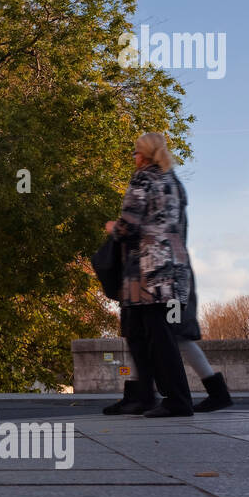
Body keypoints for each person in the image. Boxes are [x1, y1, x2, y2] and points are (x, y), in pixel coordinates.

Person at [105, 132, 195, 417]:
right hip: (175, 270)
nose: (133, 157)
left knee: (154, 337)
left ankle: (176, 399)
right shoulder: (174, 183)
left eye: (134, 152)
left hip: (148, 274)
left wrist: (111, 228)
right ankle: (146, 395)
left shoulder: (143, 178)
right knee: (151, 334)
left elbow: (128, 226)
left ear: (143, 155)